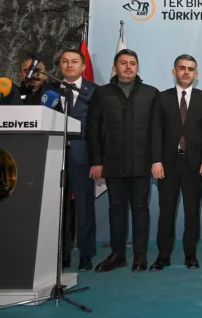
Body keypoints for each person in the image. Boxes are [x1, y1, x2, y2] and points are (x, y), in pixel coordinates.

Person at [87, 49, 159, 272]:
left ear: (137, 67)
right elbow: (93, 129)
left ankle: (140, 256)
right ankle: (117, 254)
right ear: (115, 67)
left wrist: (156, 160)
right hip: (113, 162)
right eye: (123, 63)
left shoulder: (151, 93)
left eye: (132, 63)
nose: (128, 67)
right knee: (116, 209)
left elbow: (157, 131)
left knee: (140, 209)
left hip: (141, 163)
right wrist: (97, 161)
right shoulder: (102, 93)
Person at [150, 54, 202, 271]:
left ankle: (190, 255)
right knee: (166, 211)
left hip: (194, 164)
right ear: (174, 72)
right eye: (182, 68)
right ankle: (163, 256)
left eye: (190, 69)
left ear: (196, 74)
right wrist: (156, 161)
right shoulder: (162, 98)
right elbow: (155, 131)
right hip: (167, 165)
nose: (186, 72)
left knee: (192, 211)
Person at [55, 49, 98, 271]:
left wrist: (98, 160)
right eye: (65, 61)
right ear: (60, 66)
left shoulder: (94, 91)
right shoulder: (50, 90)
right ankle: (61, 254)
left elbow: (98, 128)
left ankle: (86, 254)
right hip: (54, 156)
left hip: (83, 157)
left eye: (74, 61)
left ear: (83, 67)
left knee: (84, 207)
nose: (69, 65)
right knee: (58, 208)